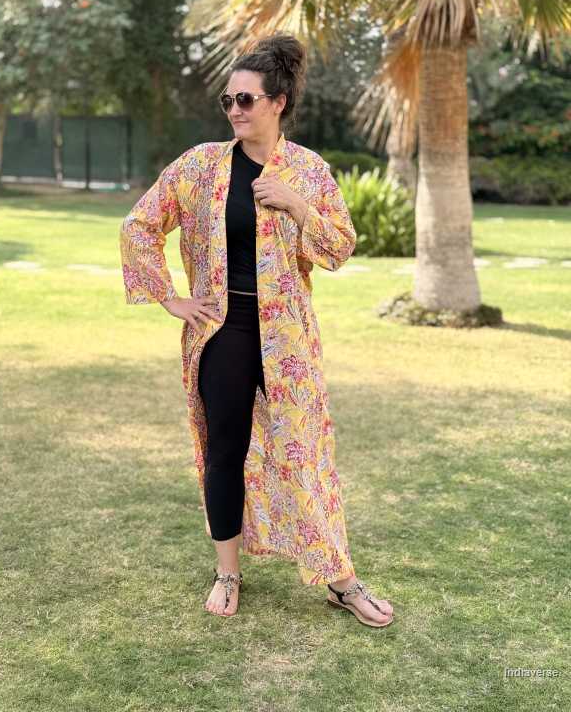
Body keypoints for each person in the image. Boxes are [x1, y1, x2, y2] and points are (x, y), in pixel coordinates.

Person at [119, 32, 394, 627]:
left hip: (287, 338)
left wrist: (297, 204)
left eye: (246, 99)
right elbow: (139, 225)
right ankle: (228, 572)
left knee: (305, 453)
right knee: (224, 450)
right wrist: (170, 297)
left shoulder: (308, 171)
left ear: (278, 102)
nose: (235, 110)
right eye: (228, 100)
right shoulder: (200, 166)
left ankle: (341, 580)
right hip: (222, 331)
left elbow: (339, 248)